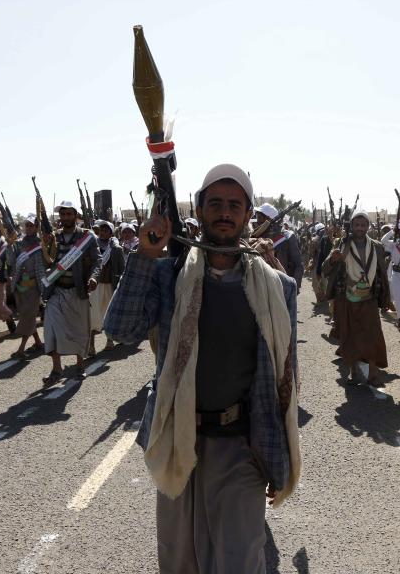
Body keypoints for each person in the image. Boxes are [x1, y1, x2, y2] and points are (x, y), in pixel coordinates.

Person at [104, 163, 300, 573]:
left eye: (234, 205)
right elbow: (121, 330)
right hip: (178, 438)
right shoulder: (170, 273)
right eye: (215, 203)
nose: (224, 212)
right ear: (199, 208)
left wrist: (277, 455)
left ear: (248, 215)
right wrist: (144, 255)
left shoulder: (279, 288)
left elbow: (284, 380)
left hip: (242, 445)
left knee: (240, 561)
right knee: (180, 561)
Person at [322, 209, 391, 386]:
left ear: (368, 226)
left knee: (373, 335)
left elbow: (382, 273)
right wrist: (332, 260)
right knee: (350, 335)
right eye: (357, 224)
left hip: (369, 297)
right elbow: (325, 269)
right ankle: (354, 373)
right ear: (352, 226)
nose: (360, 228)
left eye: (363, 225)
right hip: (346, 297)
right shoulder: (341, 243)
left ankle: (373, 374)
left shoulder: (376, 246)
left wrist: (385, 299)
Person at [40, 201, 100, 384]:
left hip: (77, 292)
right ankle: (56, 370)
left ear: (76, 215)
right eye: (63, 214)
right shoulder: (53, 237)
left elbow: (97, 261)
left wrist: (93, 277)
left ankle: (80, 366)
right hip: (56, 292)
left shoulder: (87, 237)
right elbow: (46, 263)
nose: (65, 217)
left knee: (79, 330)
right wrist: (46, 245)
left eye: (69, 214)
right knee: (51, 330)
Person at [7, 216, 45, 358]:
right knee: (26, 315)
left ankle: (21, 349)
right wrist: (9, 246)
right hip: (20, 285)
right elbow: (11, 262)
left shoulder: (41, 244)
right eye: (27, 225)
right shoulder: (18, 243)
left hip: (34, 285)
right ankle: (38, 342)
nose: (28, 228)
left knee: (27, 316)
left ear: (36, 227)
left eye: (31, 226)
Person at [89, 219, 125, 355]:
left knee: (108, 313)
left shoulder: (116, 249)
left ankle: (109, 340)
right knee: (93, 315)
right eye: (101, 230)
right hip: (95, 286)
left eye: (106, 230)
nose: (102, 233)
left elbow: (121, 269)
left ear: (111, 233)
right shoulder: (93, 247)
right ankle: (91, 346)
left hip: (110, 285)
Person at [254, 202, 304, 289]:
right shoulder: (257, 236)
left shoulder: (287, 237)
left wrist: (294, 287)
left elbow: (298, 265)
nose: (257, 221)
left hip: (282, 287)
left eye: (259, 217)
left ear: (268, 219)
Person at [382, 221, 400, 333]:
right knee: (399, 298)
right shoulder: (394, 243)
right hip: (396, 273)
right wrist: (392, 231)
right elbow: (383, 241)